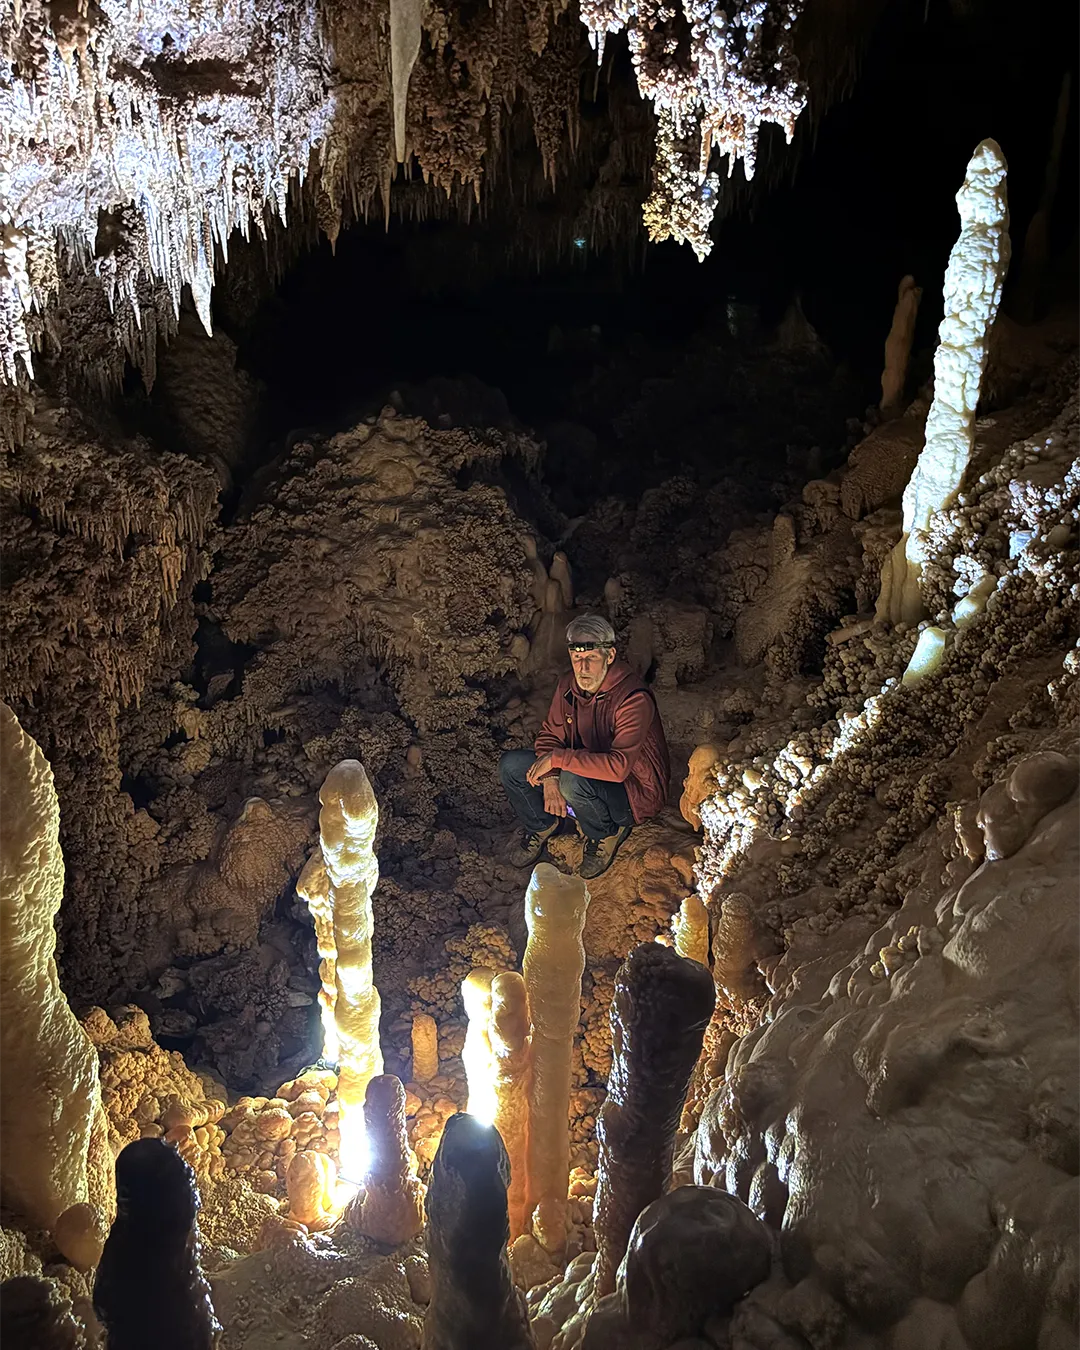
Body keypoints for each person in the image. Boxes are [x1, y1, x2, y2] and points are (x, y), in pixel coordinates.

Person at [499, 614, 671, 880]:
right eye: (578, 658)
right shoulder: (568, 685)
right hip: (581, 770)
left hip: (634, 791)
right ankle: (542, 824)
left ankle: (605, 832)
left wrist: (557, 762)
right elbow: (549, 735)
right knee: (512, 766)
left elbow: (618, 768)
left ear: (610, 656)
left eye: (591, 658)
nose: (583, 667)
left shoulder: (633, 698)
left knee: (572, 780)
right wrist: (550, 778)